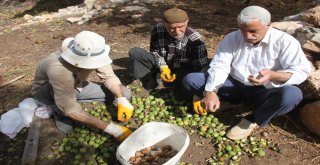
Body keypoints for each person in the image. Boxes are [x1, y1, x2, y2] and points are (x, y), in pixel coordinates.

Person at [183, 6, 311, 140]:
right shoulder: (232, 38)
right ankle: (230, 101)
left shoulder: (285, 42)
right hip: (234, 85)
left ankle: (254, 118)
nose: (247, 36)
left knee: (292, 95)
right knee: (191, 79)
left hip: (265, 90)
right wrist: (210, 91)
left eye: (253, 31)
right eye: (243, 30)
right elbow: (220, 65)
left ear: (269, 25)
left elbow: (301, 71)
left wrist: (273, 75)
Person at [31, 31, 134, 141]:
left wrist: (121, 99)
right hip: (47, 93)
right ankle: (58, 110)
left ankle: (74, 103)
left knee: (125, 93)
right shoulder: (58, 68)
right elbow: (69, 108)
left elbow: (109, 76)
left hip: (76, 86)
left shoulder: (94, 50)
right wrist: (112, 129)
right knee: (67, 113)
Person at [129, 7, 209, 91]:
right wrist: (163, 67)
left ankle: (176, 83)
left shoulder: (195, 39)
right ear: (164, 24)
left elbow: (202, 66)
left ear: (187, 23)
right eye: (172, 28)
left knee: (186, 91)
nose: (177, 31)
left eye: (181, 27)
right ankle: (143, 80)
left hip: (183, 71)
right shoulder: (158, 30)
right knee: (135, 52)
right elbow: (154, 52)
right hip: (163, 66)